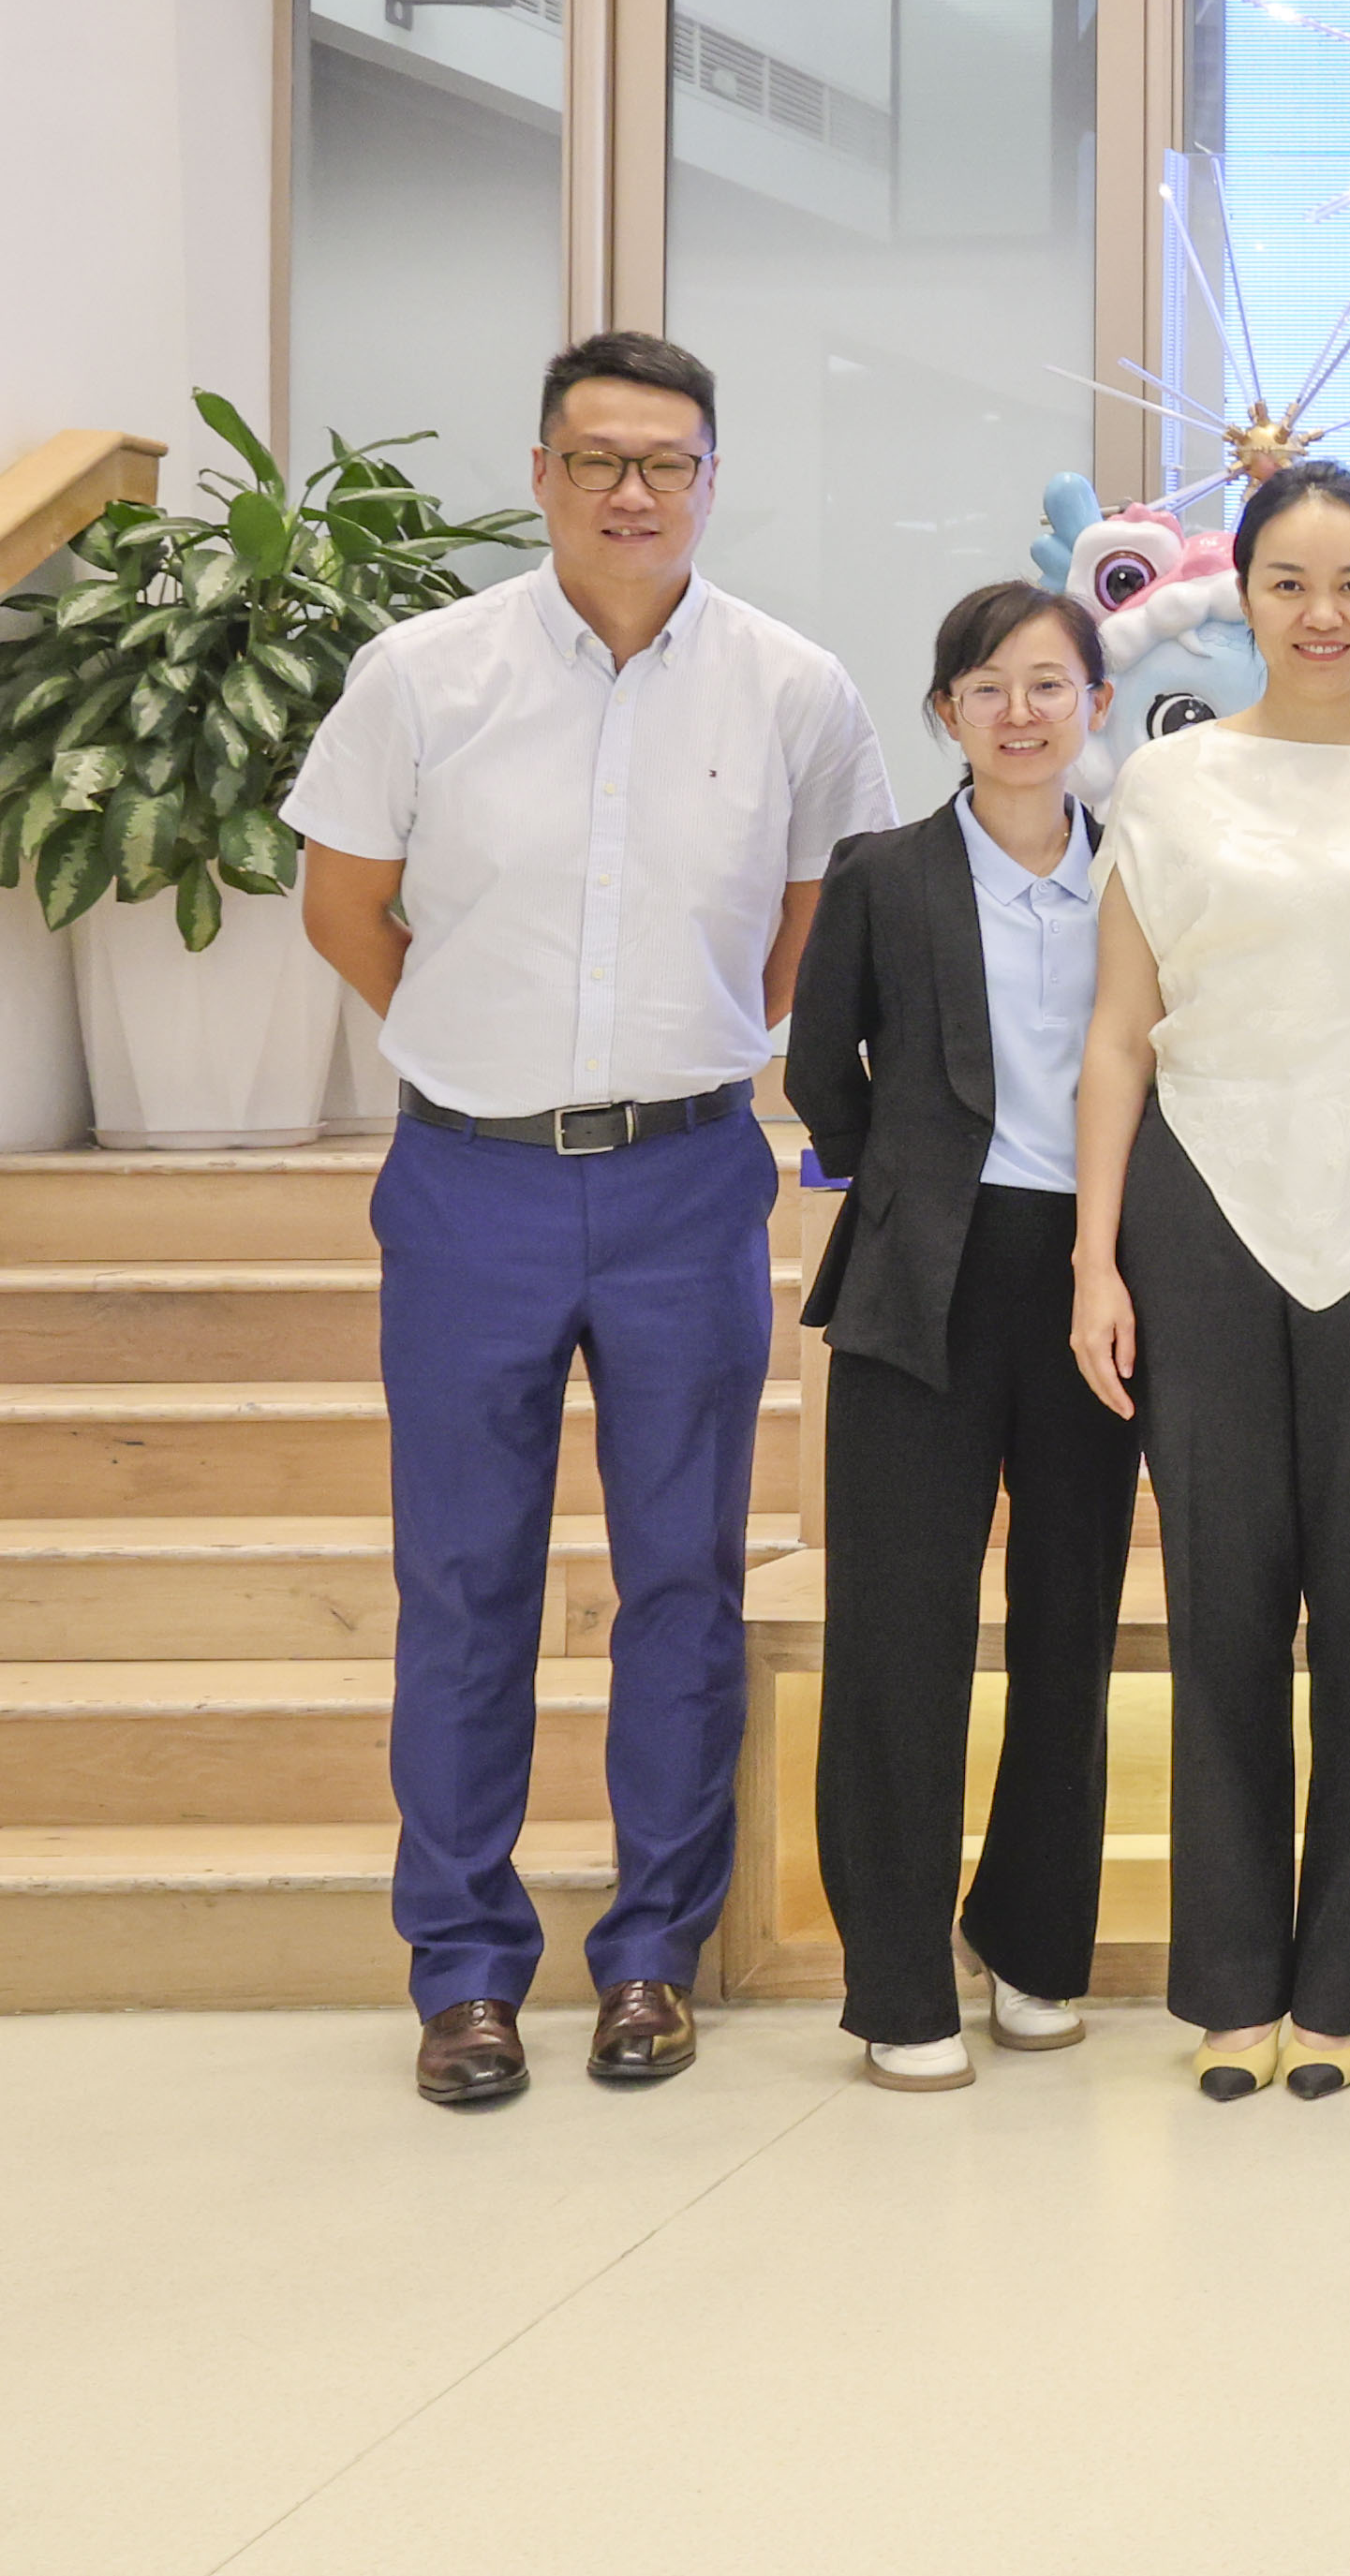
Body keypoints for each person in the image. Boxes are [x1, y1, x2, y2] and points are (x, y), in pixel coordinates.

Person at [289, 332, 893, 2110]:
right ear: (545, 472)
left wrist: (677, 1051)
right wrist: (475, 1046)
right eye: (600, 459)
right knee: (462, 1579)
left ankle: (650, 1957)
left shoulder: (793, 688)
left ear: (711, 479)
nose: (634, 491)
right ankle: (466, 1970)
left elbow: (810, 932)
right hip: (467, 1180)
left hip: (686, 1179)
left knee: (684, 1579)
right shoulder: (424, 672)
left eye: (667, 462)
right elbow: (344, 906)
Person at [1068, 461, 1350, 2104]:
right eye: (1288, 583)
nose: (1323, 614)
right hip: (1197, 1204)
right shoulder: (1169, 784)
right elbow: (1120, 1033)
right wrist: (1094, 1255)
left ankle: (1348, 1983)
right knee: (1222, 1606)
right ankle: (1231, 1980)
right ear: (1240, 594)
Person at [780, 582, 1136, 2091]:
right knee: (897, 1631)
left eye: (1049, 684)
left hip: (1098, 1285)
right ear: (944, 712)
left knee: (1070, 1624)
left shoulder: (1143, 876)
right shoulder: (883, 874)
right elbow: (823, 1073)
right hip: (918, 1282)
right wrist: (916, 1185)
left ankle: (1036, 1944)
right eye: (985, 687)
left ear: (1096, 705)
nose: (1019, 712)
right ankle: (898, 1975)